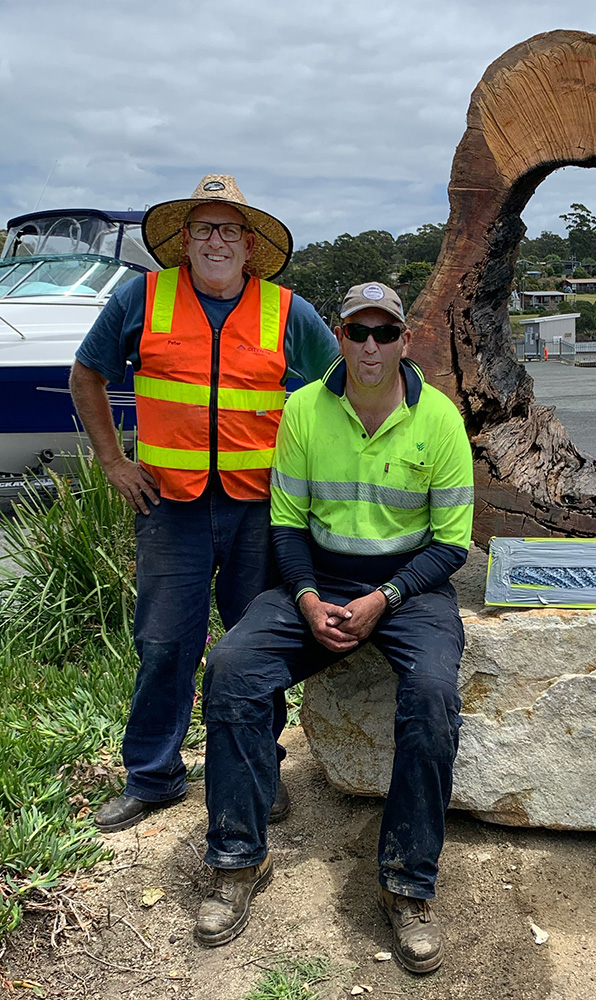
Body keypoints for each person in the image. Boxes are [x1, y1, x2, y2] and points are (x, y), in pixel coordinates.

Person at [193, 282, 474, 971]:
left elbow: (453, 543)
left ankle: (407, 884)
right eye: (358, 331)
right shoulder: (304, 411)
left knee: (433, 695)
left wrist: (386, 597)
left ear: (405, 341)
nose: (371, 345)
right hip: (319, 577)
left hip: (411, 585)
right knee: (233, 670)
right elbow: (286, 524)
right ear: (340, 338)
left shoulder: (438, 418)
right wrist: (310, 599)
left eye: (385, 332)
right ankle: (237, 860)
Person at [70, 175, 339, 834]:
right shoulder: (143, 297)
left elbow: (336, 391)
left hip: (258, 513)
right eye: (203, 229)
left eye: (228, 230)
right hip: (170, 509)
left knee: (255, 649)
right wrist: (113, 462)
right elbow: (87, 375)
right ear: (185, 241)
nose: (216, 240)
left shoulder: (288, 311)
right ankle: (153, 776)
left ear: (249, 246)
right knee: (164, 643)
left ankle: (256, 770)